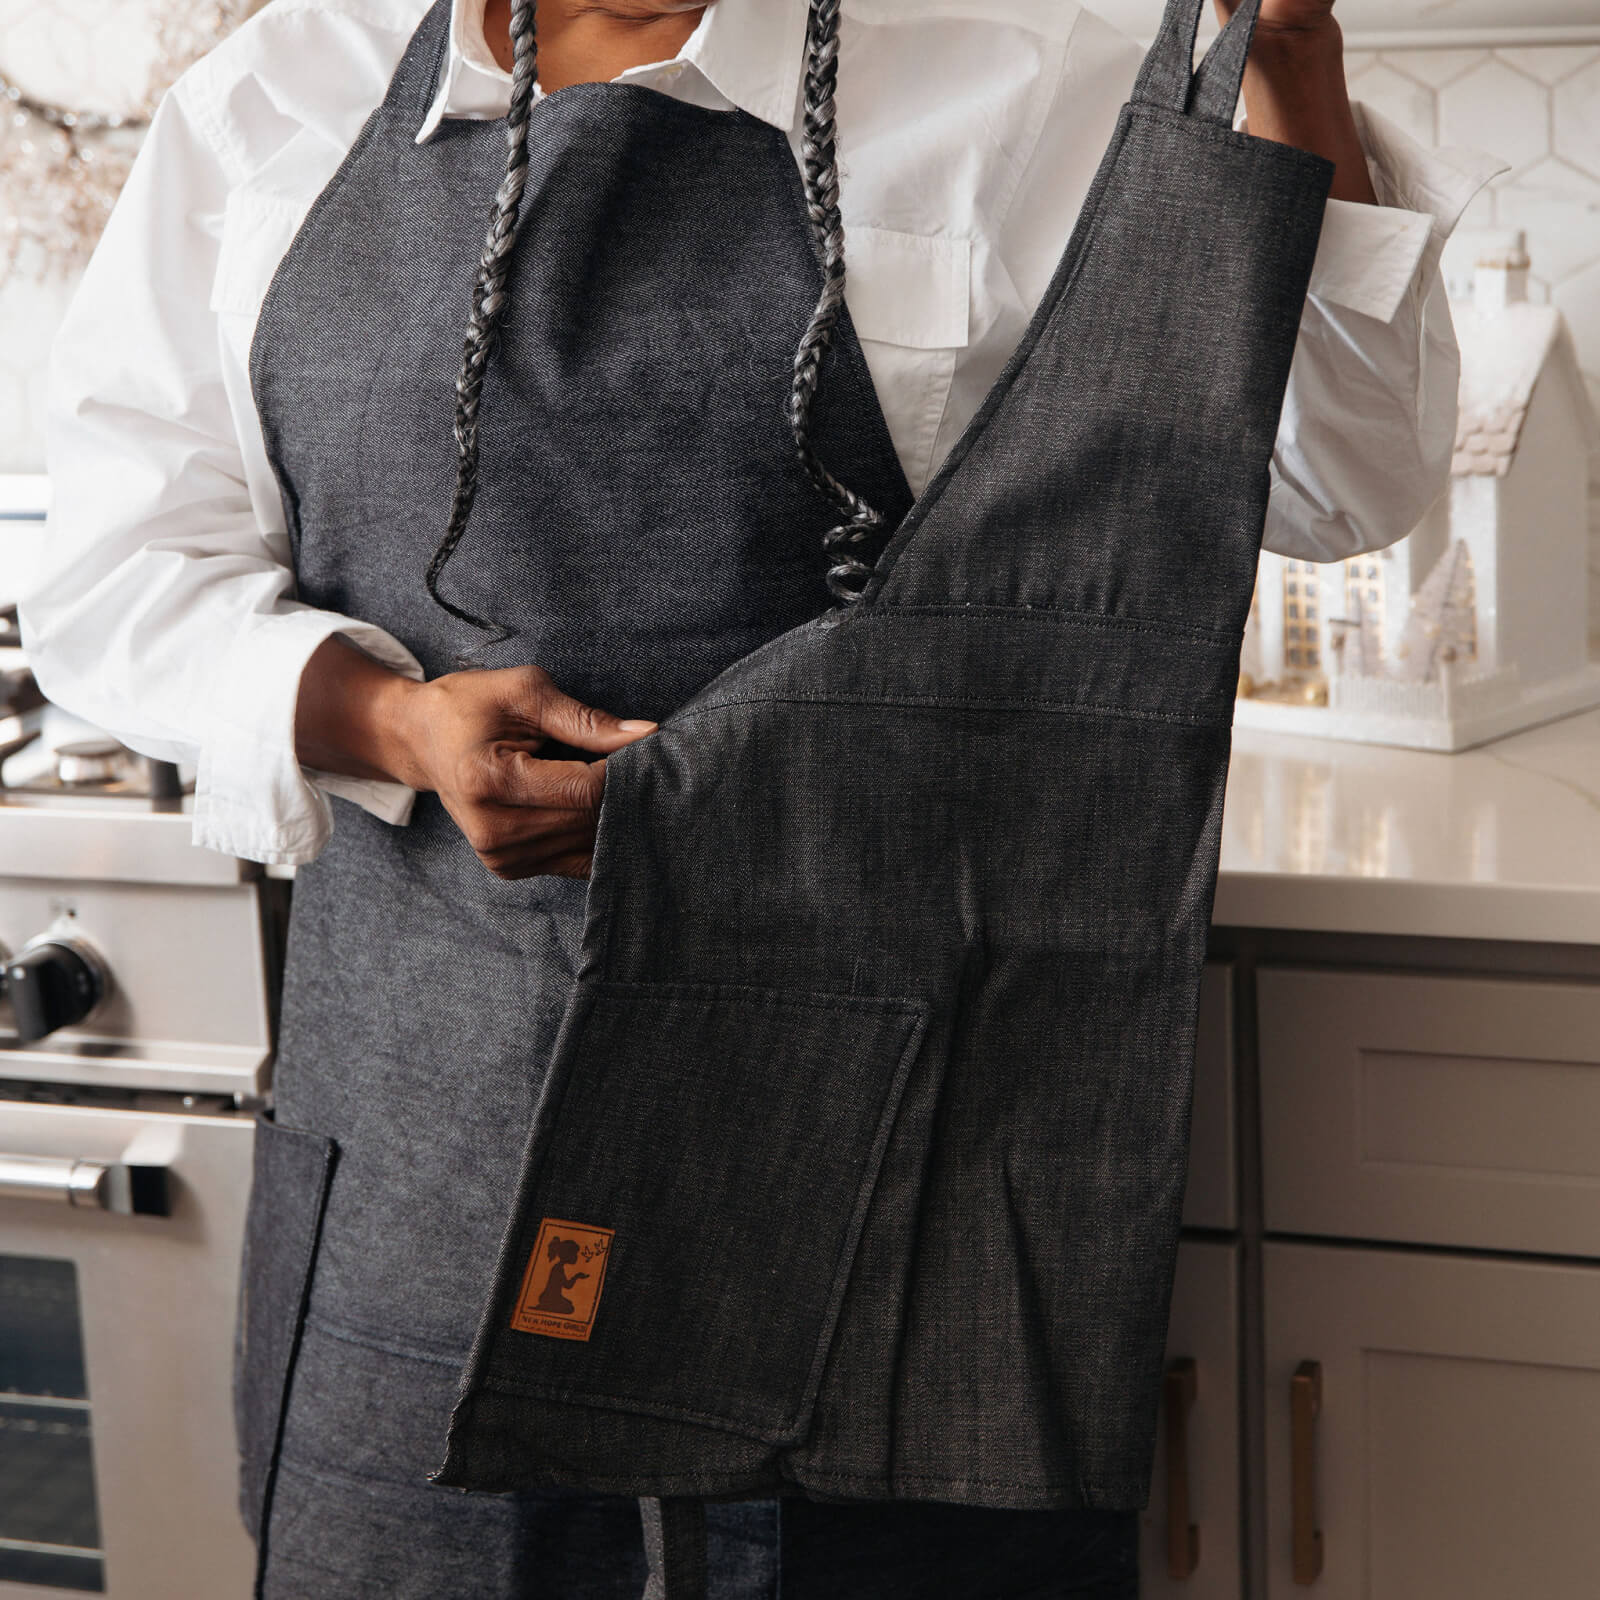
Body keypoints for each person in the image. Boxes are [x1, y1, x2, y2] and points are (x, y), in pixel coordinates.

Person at [21, 0, 1498, 1594]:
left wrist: (1290, 63)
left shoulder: (1030, 71)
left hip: (891, 1151)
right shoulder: (274, 101)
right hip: (428, 1138)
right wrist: (388, 720)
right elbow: (115, 568)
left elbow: (1339, 479)